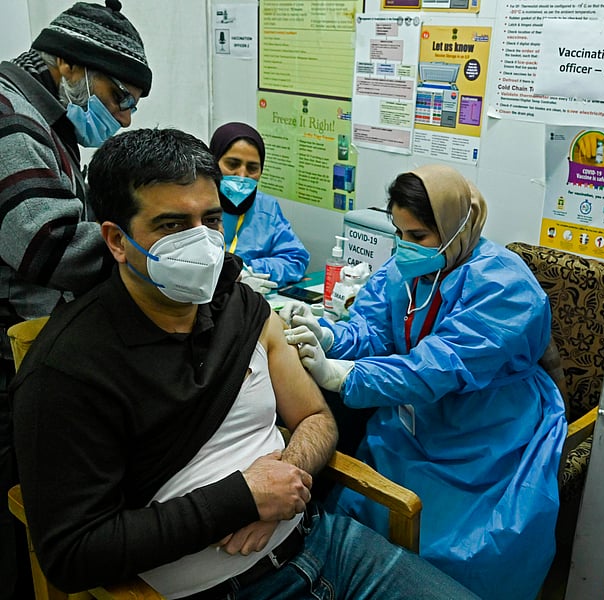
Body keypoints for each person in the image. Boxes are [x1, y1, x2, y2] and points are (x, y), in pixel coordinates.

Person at [10, 128, 478, 600]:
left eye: (211, 219)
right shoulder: (69, 367)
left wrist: (281, 489)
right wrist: (242, 500)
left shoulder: (242, 306)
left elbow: (316, 419)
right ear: (116, 240)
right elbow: (73, 554)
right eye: (172, 225)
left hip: (320, 542)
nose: (200, 242)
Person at [282, 164, 567, 600]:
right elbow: (374, 329)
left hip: (492, 427)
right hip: (417, 414)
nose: (405, 246)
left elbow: (439, 366)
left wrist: (344, 374)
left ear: (456, 228)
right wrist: (330, 337)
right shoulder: (405, 270)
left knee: (470, 547)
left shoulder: (505, 285)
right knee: (367, 509)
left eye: (418, 236)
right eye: (399, 233)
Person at [0, 2, 150, 598]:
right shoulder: (10, 120)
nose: (124, 116)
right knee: (19, 508)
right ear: (68, 65)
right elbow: (46, 243)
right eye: (119, 97)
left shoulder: (46, 118)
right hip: (11, 353)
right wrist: (151, 252)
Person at [209, 122, 310, 293]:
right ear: (213, 163)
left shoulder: (266, 207)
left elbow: (295, 259)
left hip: (251, 299)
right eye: (232, 164)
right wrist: (229, 275)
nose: (242, 175)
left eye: (252, 168)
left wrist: (252, 270)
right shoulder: (193, 205)